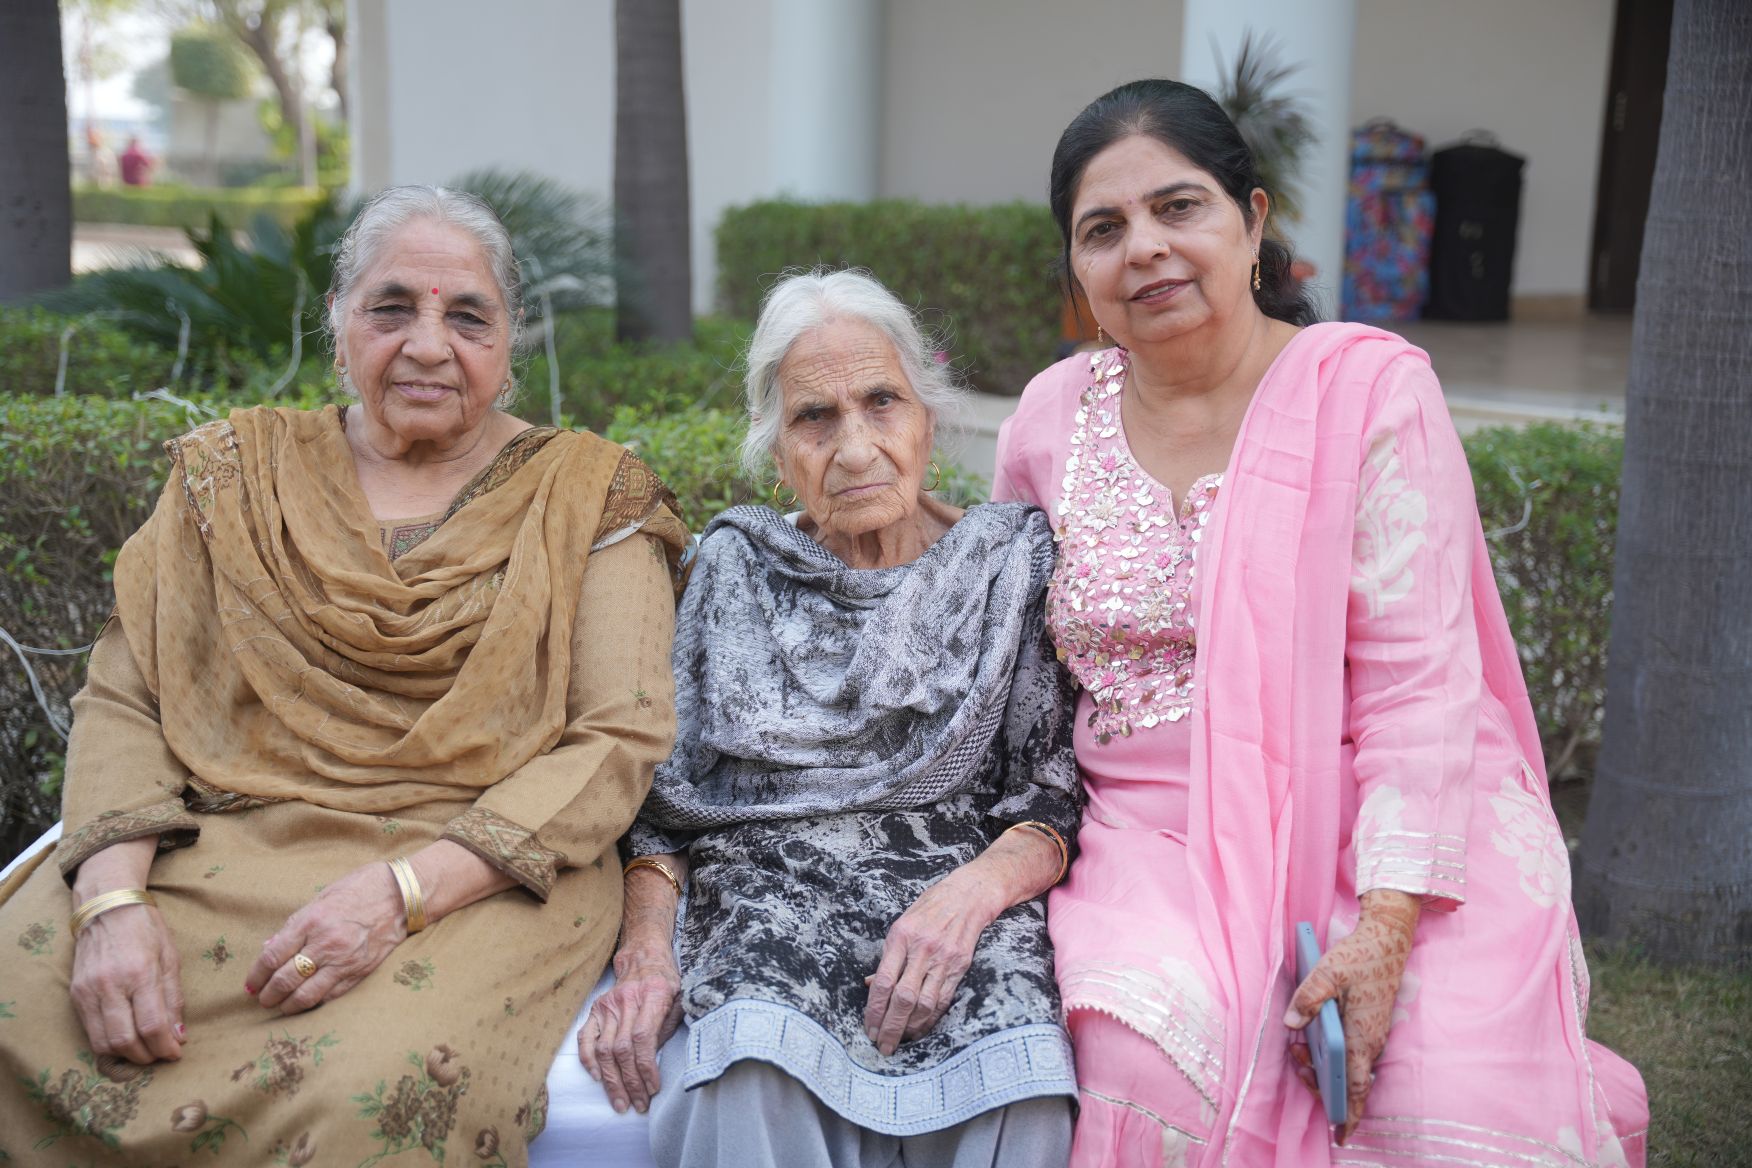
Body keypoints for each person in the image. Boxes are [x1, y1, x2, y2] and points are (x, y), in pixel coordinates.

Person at [994, 80, 1649, 1167]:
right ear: (1079, 271)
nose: (1144, 247)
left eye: (1178, 207)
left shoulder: (1367, 392)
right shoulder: (1048, 419)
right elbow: (1003, 638)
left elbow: (1417, 678)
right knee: (1160, 1055)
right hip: (1148, 835)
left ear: (1253, 223)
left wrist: (1384, 929)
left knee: (1439, 1087)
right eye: (1103, 230)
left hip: (1381, 823)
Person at [0, 185, 689, 1165]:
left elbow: (617, 737)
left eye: (467, 317)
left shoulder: (589, 494)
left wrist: (398, 893)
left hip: (479, 869)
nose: (427, 346)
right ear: (337, 320)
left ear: (510, 341)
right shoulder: (235, 477)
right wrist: (112, 905)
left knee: (378, 1090)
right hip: (224, 845)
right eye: (391, 308)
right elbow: (127, 695)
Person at [580, 269, 1081, 1168]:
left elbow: (1047, 803)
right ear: (778, 452)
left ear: (927, 420)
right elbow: (665, 808)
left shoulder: (1005, 565)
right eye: (814, 418)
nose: (855, 450)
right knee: (749, 1068)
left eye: (882, 403)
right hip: (765, 894)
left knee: (1022, 1087)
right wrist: (646, 952)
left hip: (960, 895)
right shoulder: (738, 566)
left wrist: (966, 901)